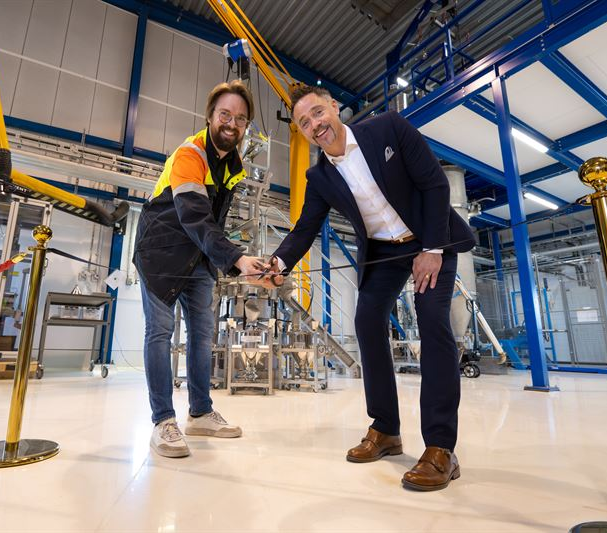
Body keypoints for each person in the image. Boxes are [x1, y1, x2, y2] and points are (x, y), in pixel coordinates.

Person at [265, 85, 475, 491]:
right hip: (383, 253)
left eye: (318, 113)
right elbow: (305, 227)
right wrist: (277, 263)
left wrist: (431, 248)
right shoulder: (320, 176)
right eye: (305, 123)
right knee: (366, 321)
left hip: (431, 237)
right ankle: (386, 429)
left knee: (432, 320)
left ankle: (441, 449)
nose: (315, 125)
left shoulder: (389, 129)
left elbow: (434, 185)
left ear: (335, 107)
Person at [132, 80, 266, 458]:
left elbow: (214, 222)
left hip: (199, 258)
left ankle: (201, 412)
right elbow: (193, 214)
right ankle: (163, 421)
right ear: (210, 116)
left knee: (203, 335)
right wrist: (237, 260)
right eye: (225, 114)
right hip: (161, 252)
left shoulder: (233, 166)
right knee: (160, 331)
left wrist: (237, 263)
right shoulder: (190, 154)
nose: (232, 123)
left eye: (240, 119)